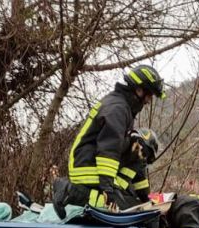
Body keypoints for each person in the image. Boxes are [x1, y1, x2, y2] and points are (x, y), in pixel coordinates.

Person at [64, 65, 165, 209]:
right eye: (149, 95)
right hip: (88, 169)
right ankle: (73, 192)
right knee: (138, 213)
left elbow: (119, 152)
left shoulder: (122, 106)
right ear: (139, 90)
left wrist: (149, 199)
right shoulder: (118, 108)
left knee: (138, 144)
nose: (148, 101)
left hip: (93, 169)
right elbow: (109, 149)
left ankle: (119, 190)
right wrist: (108, 190)